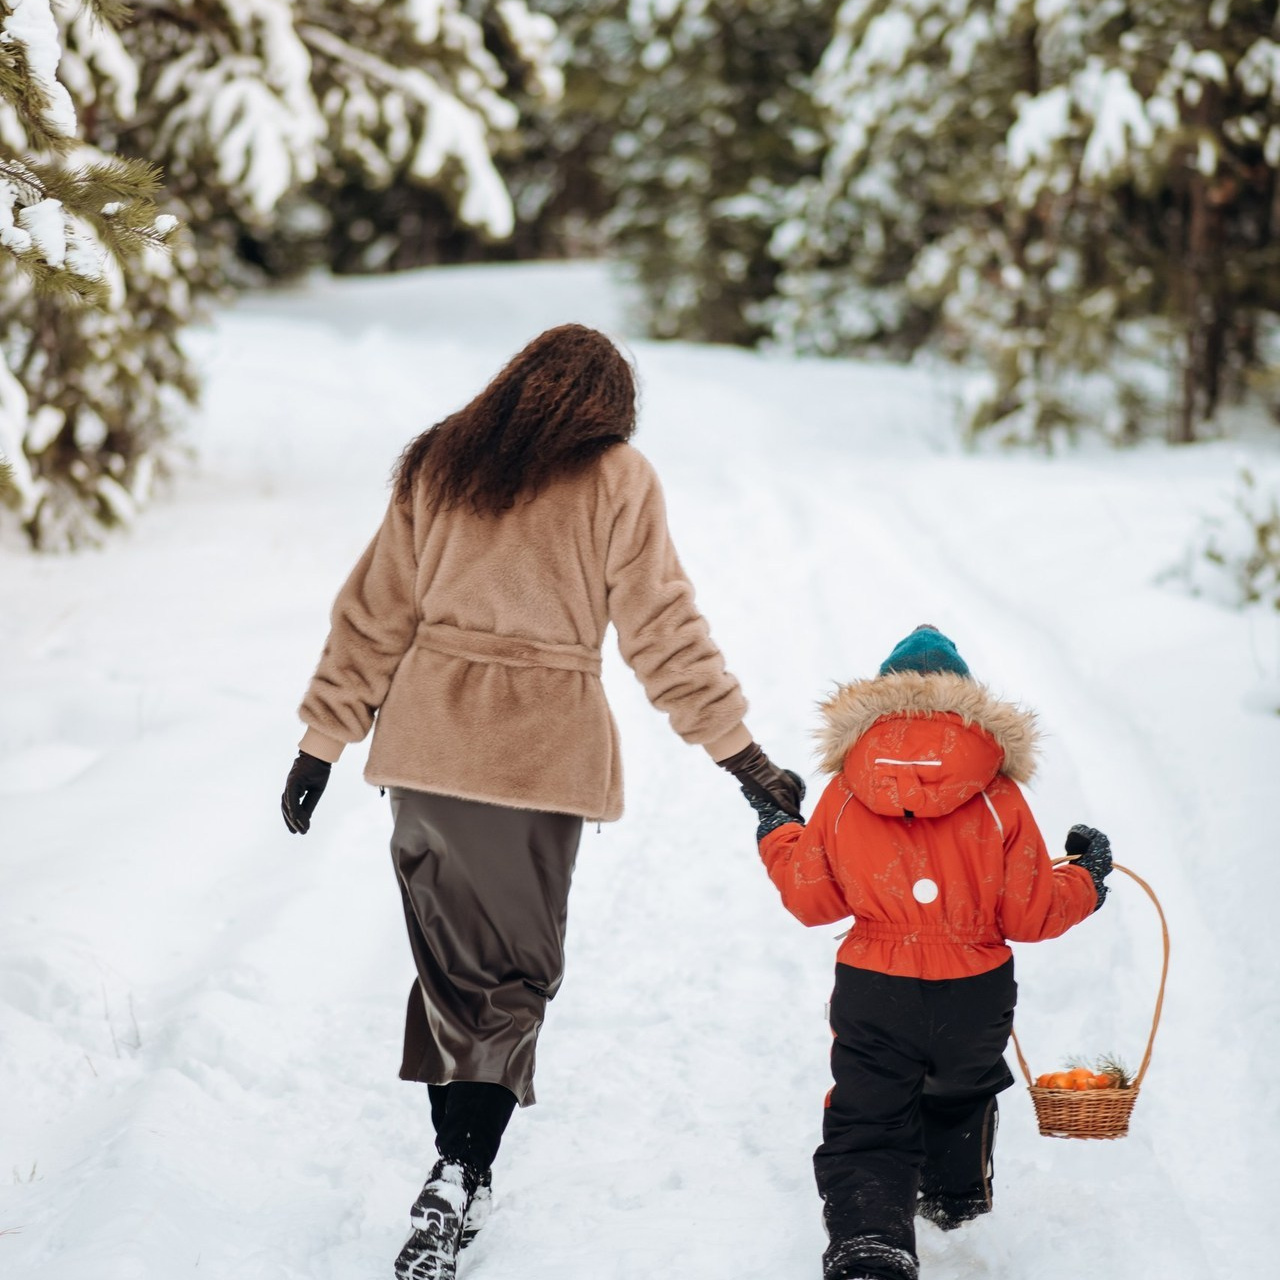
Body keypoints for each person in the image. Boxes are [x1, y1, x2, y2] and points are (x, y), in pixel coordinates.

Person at [279, 324, 802, 1280]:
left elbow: (372, 613)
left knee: (451, 972)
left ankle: (454, 1170)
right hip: (539, 764)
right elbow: (663, 631)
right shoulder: (616, 477)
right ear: (607, 406)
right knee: (510, 981)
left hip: (426, 756)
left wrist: (321, 743)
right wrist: (744, 757)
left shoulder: (440, 461)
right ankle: (457, 1174)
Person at [740, 624, 1112, 1280]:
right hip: (976, 989)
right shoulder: (998, 794)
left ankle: (870, 1247)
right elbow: (1030, 913)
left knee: (869, 1116)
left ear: (880, 699)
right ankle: (954, 1207)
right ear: (965, 701)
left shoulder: (848, 789)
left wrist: (778, 828)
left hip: (874, 984)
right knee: (961, 1090)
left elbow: (812, 900)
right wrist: (1088, 877)